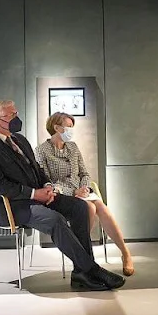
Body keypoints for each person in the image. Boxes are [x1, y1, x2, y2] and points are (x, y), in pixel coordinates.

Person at [0, 100, 125, 291]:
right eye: (12, 115)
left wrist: (46, 187)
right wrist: (35, 194)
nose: (16, 118)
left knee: (80, 207)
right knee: (54, 220)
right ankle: (91, 270)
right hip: (12, 206)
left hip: (37, 198)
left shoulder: (19, 140)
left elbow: (37, 170)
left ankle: (80, 272)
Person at [35, 112, 134, 276]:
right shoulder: (41, 151)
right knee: (89, 208)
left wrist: (85, 188)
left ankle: (125, 253)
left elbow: (84, 174)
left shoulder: (73, 147)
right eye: (69, 126)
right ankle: (84, 259)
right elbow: (46, 183)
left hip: (82, 191)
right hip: (61, 195)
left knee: (100, 206)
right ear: (56, 127)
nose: (71, 130)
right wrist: (73, 192)